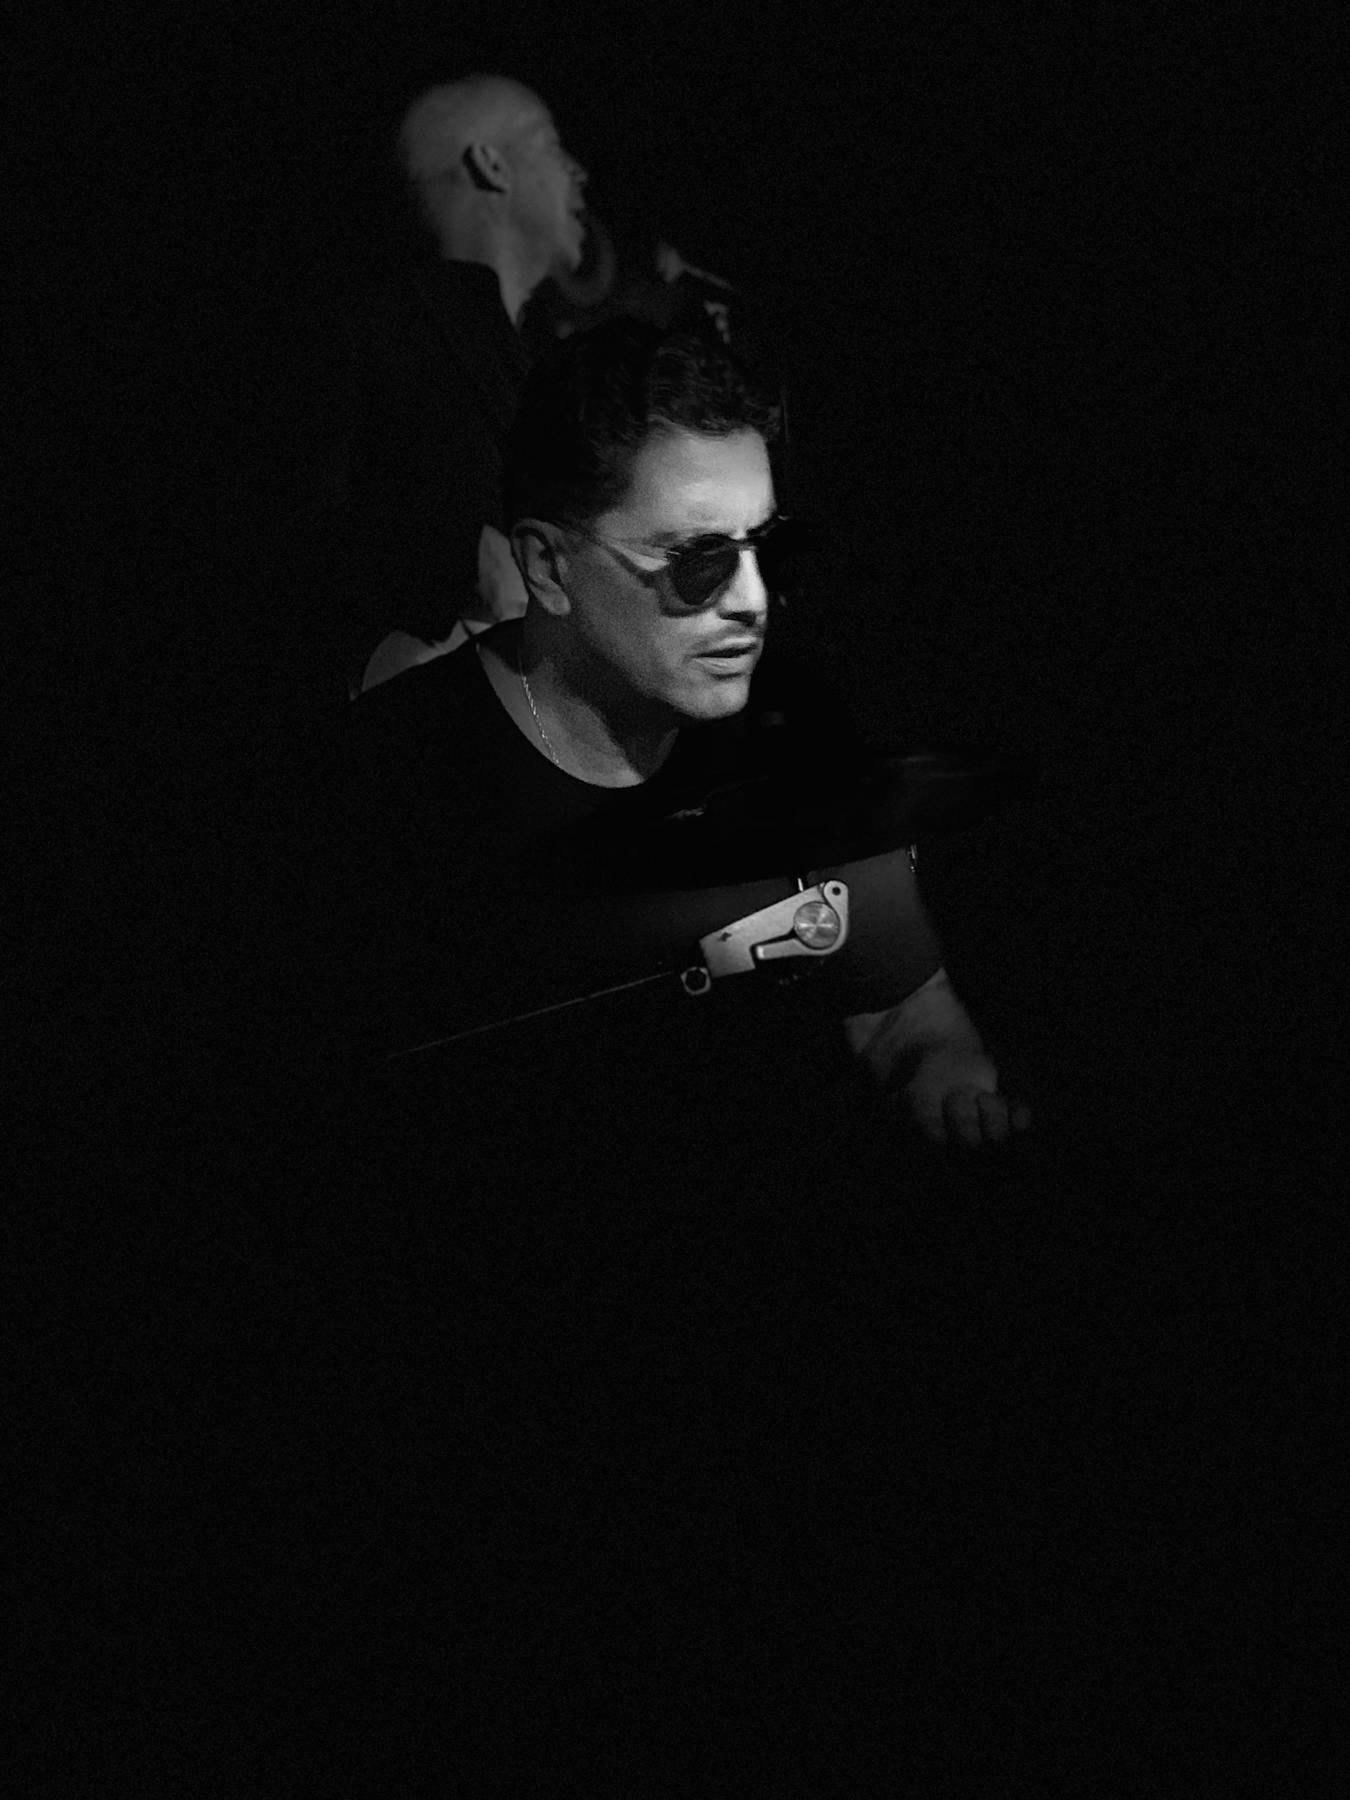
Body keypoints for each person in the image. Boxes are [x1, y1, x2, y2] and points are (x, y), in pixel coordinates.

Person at [292, 74, 589, 696]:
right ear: (490, 164)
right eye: (552, 145)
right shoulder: (361, 326)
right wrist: (456, 558)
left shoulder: (551, 360)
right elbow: (289, 528)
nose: (578, 172)